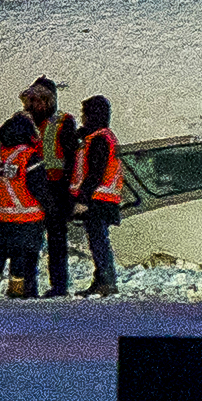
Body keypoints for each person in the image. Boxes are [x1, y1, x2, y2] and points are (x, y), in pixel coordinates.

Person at [15, 78, 79, 297]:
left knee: (56, 240)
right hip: (33, 186)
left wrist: (71, 192)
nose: (33, 104)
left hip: (56, 186)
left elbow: (71, 156)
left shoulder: (63, 122)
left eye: (39, 99)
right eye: (31, 100)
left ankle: (58, 285)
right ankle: (28, 285)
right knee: (30, 239)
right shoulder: (23, 122)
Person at [0, 115, 45, 298]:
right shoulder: (28, 156)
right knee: (20, 254)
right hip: (26, 215)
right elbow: (37, 186)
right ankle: (16, 289)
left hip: (1, 215)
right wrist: (52, 207)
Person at [70, 95, 124, 297]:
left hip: (98, 199)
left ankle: (106, 281)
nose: (83, 118)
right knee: (98, 241)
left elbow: (94, 172)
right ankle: (102, 280)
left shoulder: (99, 139)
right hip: (104, 197)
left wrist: (82, 199)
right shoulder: (101, 137)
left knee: (98, 241)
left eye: (85, 114)